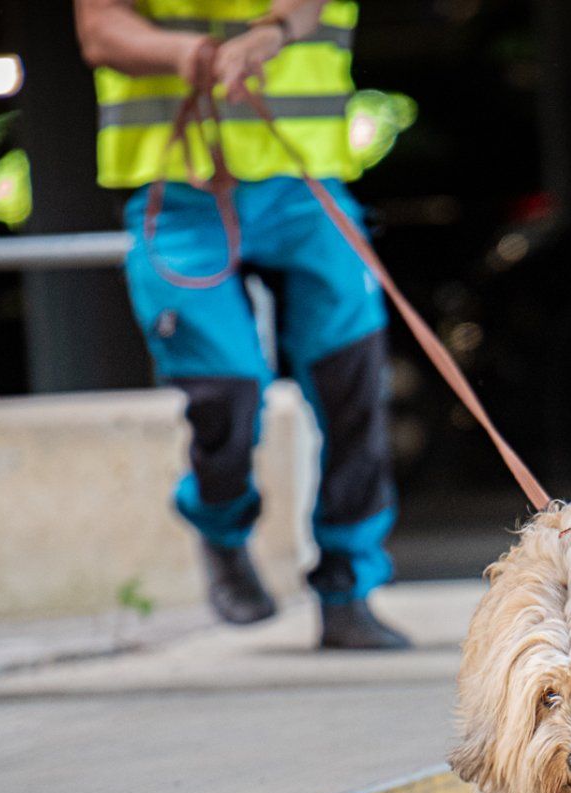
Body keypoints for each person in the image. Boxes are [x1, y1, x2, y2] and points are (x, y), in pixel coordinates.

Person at [74, 0, 410, 648]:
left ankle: (348, 588)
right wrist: (187, 56)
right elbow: (98, 29)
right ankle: (220, 524)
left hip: (304, 177)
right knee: (224, 391)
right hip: (175, 184)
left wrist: (271, 32)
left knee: (354, 382)